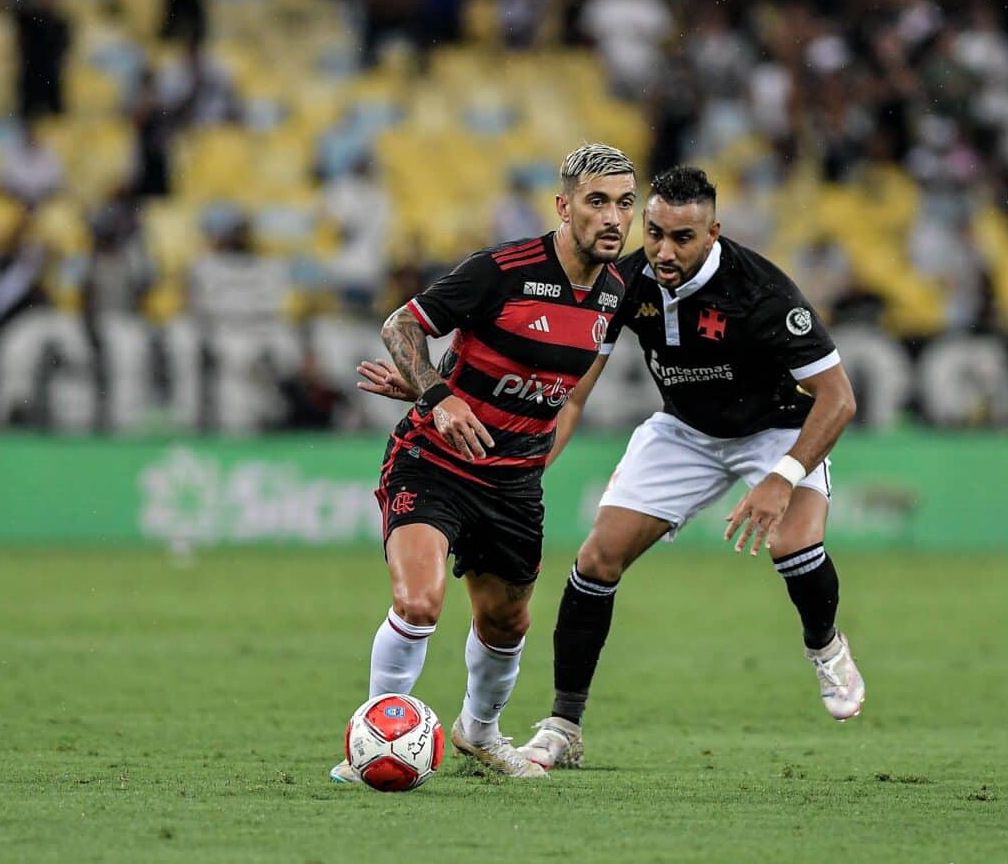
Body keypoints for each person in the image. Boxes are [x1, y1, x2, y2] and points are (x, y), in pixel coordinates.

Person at [359, 166, 864, 771]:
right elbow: (571, 393)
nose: (662, 250)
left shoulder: (761, 292)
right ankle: (564, 725)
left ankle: (825, 646)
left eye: (682, 237)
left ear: (714, 233)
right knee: (596, 561)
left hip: (776, 430)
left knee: (794, 546)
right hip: (685, 431)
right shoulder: (625, 279)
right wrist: (477, 428)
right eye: (653, 233)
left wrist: (781, 478)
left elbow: (839, 399)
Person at [331, 143, 636, 783]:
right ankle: (371, 738)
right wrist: (437, 399)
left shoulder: (614, 295)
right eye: (598, 201)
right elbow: (400, 328)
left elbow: (567, 395)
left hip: (513, 482)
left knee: (507, 618)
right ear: (563, 206)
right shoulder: (501, 269)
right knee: (419, 603)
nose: (614, 217)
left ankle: (480, 732)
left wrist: (529, 464)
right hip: (433, 463)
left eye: (625, 203)